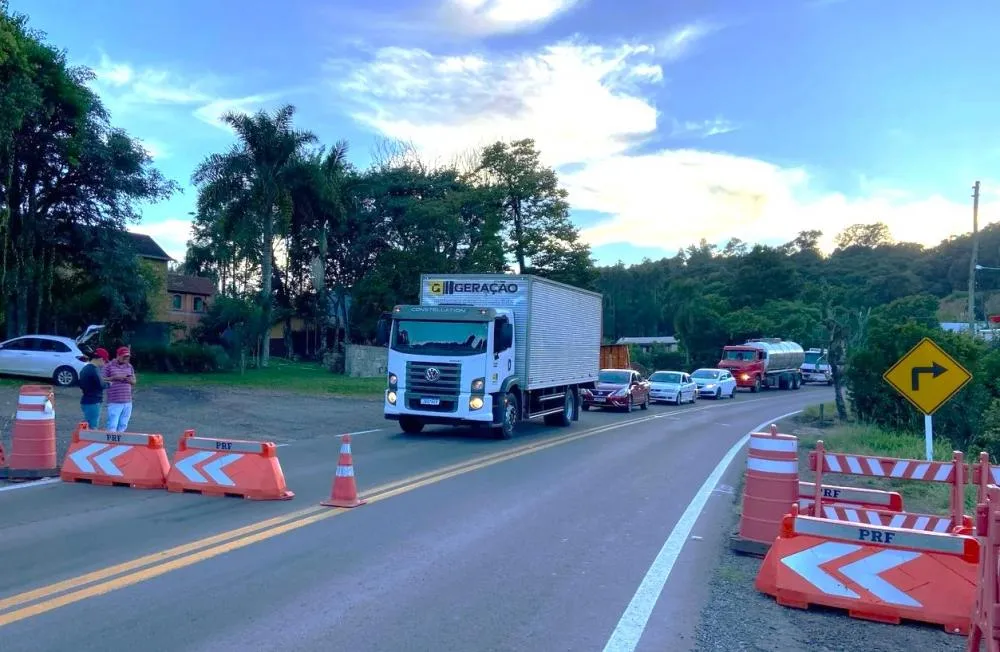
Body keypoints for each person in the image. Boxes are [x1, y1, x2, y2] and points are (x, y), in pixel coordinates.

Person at [103, 346, 137, 433]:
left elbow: (134, 381)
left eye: (127, 356)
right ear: (118, 356)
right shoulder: (109, 366)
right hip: (115, 400)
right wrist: (115, 378)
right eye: (124, 356)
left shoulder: (129, 366)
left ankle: (120, 442)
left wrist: (130, 380)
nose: (126, 358)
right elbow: (102, 379)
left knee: (123, 424)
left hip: (127, 400)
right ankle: (110, 442)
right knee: (112, 423)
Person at [79, 348, 110, 428]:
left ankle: (83, 438)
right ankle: (89, 440)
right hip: (93, 401)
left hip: (86, 399)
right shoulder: (94, 370)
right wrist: (109, 384)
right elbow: (101, 384)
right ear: (100, 359)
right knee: (92, 426)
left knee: (87, 424)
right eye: (104, 360)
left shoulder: (85, 369)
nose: (104, 363)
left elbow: (81, 384)